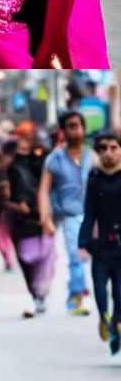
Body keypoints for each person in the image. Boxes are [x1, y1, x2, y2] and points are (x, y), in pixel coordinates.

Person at [39, 109, 94, 316]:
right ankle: (76, 295)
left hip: (97, 216)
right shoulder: (55, 158)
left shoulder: (95, 154)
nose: (77, 130)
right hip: (71, 216)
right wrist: (46, 219)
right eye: (71, 126)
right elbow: (44, 190)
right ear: (63, 131)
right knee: (75, 255)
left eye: (79, 125)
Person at [1, 127, 55, 316]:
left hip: (40, 213)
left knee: (45, 255)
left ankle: (41, 294)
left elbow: (46, 184)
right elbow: (1, 195)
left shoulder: (39, 160)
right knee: (25, 259)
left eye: (26, 138)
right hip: (19, 220)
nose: (23, 142)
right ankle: (35, 293)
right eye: (20, 138)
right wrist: (16, 206)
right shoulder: (9, 165)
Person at [80, 128, 121, 355]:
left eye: (114, 148)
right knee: (99, 286)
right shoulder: (94, 179)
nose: (109, 153)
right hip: (102, 245)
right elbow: (90, 212)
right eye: (103, 148)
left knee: (120, 293)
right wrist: (83, 241)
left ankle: (116, 325)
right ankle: (104, 318)